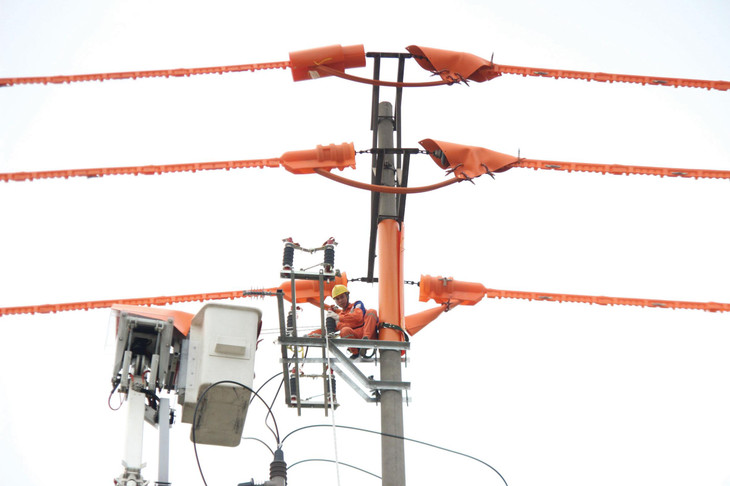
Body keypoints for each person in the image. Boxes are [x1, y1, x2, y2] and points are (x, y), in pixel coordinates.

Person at [309, 284, 378, 358]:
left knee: (371, 311)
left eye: (342, 297)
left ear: (347, 296)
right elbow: (327, 330)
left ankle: (366, 341)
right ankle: (356, 352)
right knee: (344, 330)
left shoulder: (356, 305)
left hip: (369, 335)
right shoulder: (339, 317)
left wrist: (338, 317)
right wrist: (310, 335)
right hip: (355, 339)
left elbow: (358, 317)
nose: (340, 300)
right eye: (337, 299)